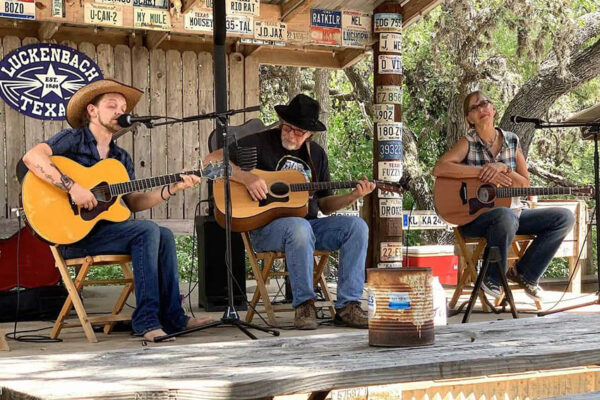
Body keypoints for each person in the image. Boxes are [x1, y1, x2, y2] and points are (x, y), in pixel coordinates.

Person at [23, 79, 212, 342]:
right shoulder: (73, 139)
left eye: (123, 107)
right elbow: (32, 157)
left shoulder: (120, 159)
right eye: (112, 105)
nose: (120, 111)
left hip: (106, 233)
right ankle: (146, 321)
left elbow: (133, 202)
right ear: (92, 110)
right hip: (72, 236)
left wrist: (172, 188)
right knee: (146, 231)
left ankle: (174, 317)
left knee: (165, 235)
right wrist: (73, 187)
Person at [204, 94, 375, 330]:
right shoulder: (259, 142)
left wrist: (353, 196)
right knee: (299, 226)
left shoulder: (316, 155)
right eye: (287, 128)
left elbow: (324, 205)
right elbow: (209, 163)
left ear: (310, 134)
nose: (291, 135)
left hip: (309, 227)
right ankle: (304, 304)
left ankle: (348, 306)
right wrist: (247, 178)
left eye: (298, 132)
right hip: (266, 229)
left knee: (357, 227)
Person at [432, 90, 575, 301]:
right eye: (474, 107)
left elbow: (525, 184)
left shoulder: (511, 140)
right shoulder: (468, 141)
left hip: (514, 215)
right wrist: (483, 171)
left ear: (493, 109)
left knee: (564, 217)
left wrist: (505, 169)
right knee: (504, 215)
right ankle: (492, 278)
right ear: (469, 118)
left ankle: (525, 273)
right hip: (475, 219)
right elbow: (439, 168)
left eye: (485, 104)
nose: (481, 109)